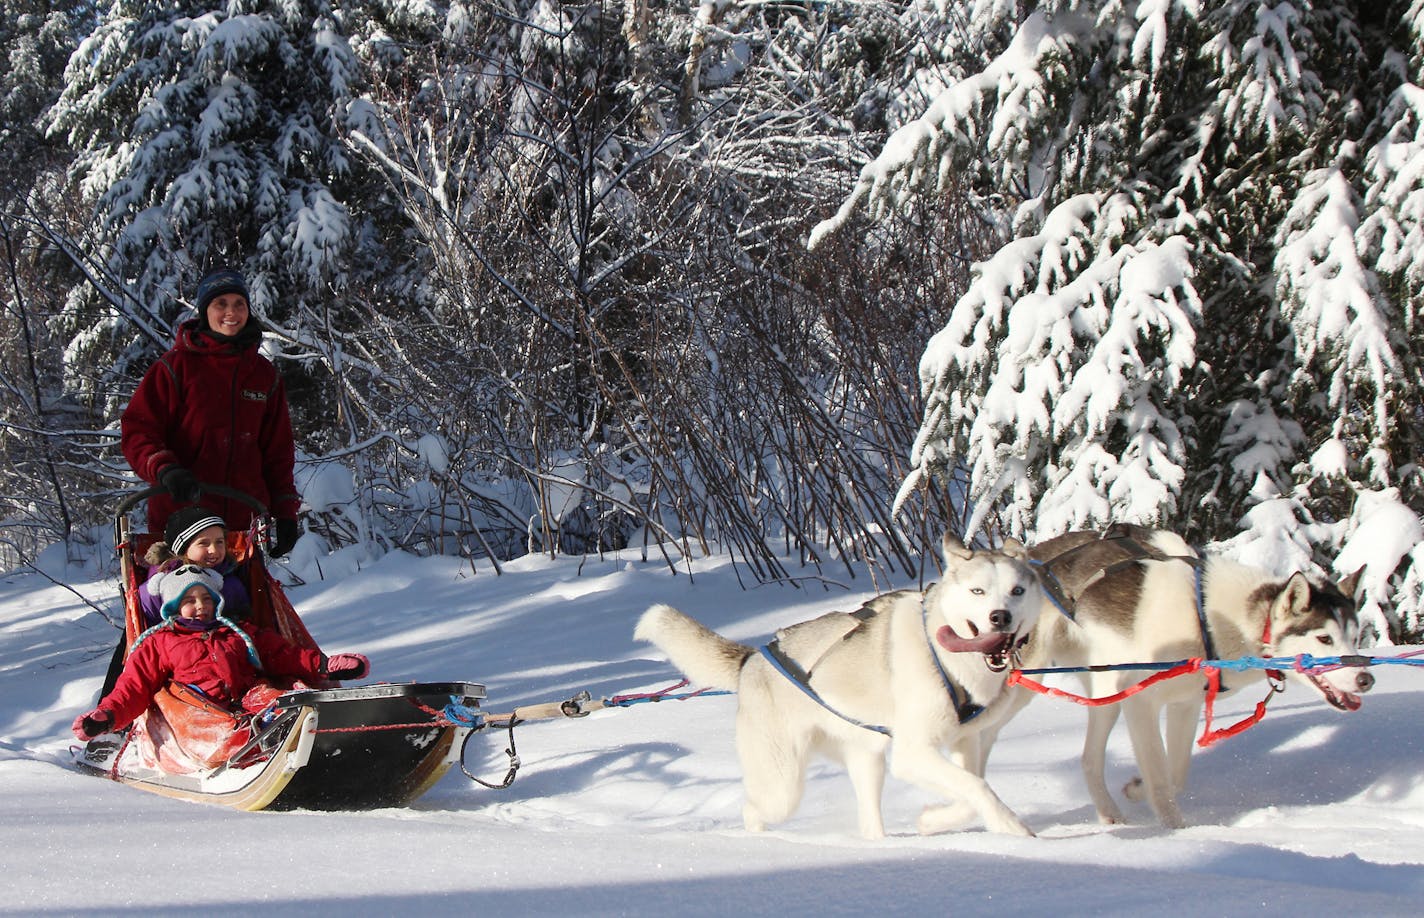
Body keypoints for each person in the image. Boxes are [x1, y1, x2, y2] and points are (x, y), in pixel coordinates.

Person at [72, 565, 370, 745]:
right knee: (225, 725)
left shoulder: (237, 632)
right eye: (189, 600)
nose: (200, 605)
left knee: (280, 696)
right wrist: (107, 716)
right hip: (198, 708)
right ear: (172, 608)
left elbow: (282, 654)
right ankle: (267, 742)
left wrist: (324, 666)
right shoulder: (160, 642)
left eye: (206, 598)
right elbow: (134, 687)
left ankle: (321, 729)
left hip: (247, 698)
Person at [121, 266, 302, 557]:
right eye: (221, 304)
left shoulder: (264, 376)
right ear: (205, 311)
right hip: (183, 523)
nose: (231, 312)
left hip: (242, 527)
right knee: (192, 602)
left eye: (239, 304)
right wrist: (165, 469)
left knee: (241, 602)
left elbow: (277, 453)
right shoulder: (174, 368)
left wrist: (285, 511)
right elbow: (139, 431)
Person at [136, 506, 251, 625]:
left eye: (219, 542)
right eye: (203, 543)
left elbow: (245, 619)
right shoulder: (162, 584)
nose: (214, 550)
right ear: (183, 549)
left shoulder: (230, 583)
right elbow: (148, 618)